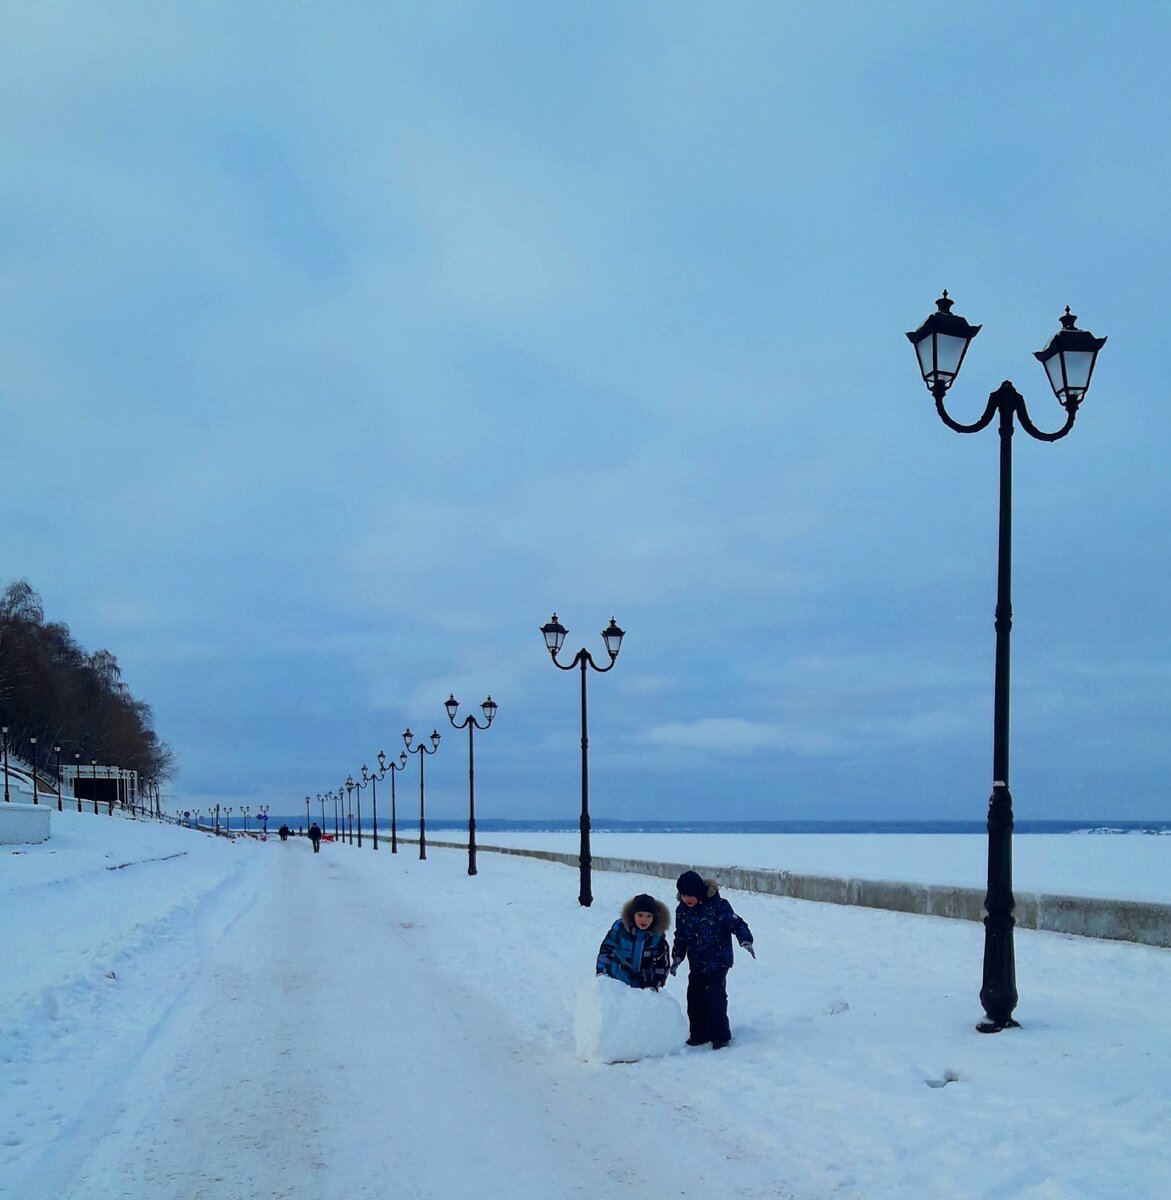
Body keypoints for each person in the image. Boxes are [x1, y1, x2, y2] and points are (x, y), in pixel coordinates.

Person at [671, 869, 754, 1049]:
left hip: (718, 961)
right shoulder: (682, 911)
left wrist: (745, 939)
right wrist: (677, 956)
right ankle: (698, 1034)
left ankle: (720, 1036)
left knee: (715, 997)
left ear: (700, 891)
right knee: (694, 998)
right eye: (683, 895)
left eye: (691, 895)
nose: (687, 899)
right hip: (696, 962)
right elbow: (681, 936)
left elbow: (736, 923)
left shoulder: (718, 906)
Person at [596, 893, 671, 990]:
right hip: (617, 981)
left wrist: (654, 985)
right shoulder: (620, 929)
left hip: (643, 986)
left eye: (649, 916)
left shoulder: (657, 938)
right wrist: (602, 973)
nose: (644, 920)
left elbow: (662, 965)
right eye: (640, 915)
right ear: (633, 915)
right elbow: (607, 950)